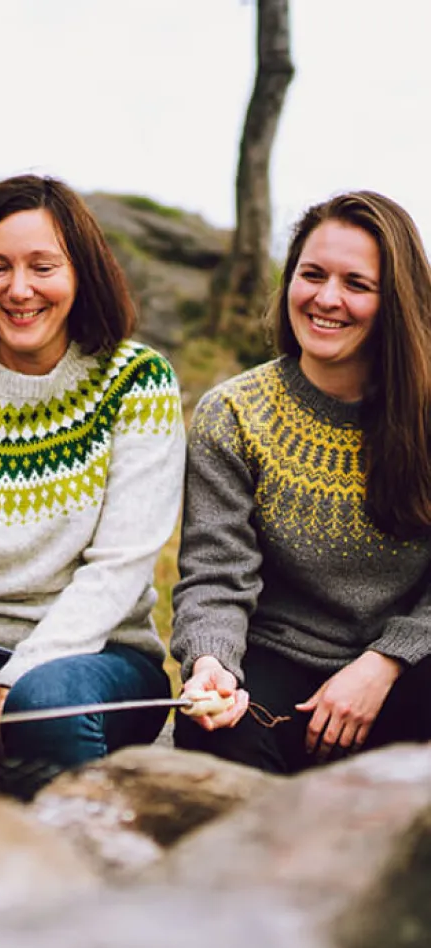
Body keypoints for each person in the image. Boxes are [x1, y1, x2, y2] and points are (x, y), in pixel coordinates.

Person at [0, 174, 184, 810]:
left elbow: (121, 566)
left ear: (81, 274)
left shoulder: (137, 382)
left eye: (42, 266)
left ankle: (73, 890)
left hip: (101, 659)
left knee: (45, 705)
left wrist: (10, 684)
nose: (18, 289)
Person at [172, 190, 431, 774]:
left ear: (397, 301)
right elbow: (216, 575)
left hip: (409, 672)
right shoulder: (234, 414)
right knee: (207, 733)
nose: (326, 299)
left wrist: (383, 662)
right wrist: (212, 664)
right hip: (278, 672)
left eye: (356, 284)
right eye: (311, 275)